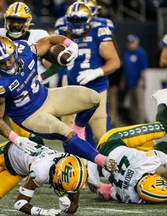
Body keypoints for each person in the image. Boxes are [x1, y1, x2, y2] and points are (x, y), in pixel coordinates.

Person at [0, 34, 118, 173]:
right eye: (1, 63)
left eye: (9, 59)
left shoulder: (25, 49)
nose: (8, 64)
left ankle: (79, 127)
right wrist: (15, 138)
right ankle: (103, 161)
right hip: (30, 115)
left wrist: (70, 44)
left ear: (15, 51)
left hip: (46, 96)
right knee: (67, 134)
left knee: (93, 98)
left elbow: (48, 40)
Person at [0, 2, 64, 145]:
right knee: (23, 129)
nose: (15, 24)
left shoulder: (39, 35)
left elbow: (57, 63)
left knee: (38, 128)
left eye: (19, 20)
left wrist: (42, 76)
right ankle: (34, 156)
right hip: (12, 89)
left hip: (35, 87)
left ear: (27, 21)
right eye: (12, 20)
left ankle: (40, 154)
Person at [55, 1, 120, 193]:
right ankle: (73, 172)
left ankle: (112, 172)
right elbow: (52, 56)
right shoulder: (62, 29)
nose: (75, 25)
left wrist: (96, 72)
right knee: (67, 131)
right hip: (72, 89)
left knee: (101, 135)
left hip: (96, 89)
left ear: (90, 19)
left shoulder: (100, 30)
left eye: (79, 20)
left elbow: (115, 61)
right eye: (72, 20)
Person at [93, 88, 167, 203]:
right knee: (159, 147)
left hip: (112, 141)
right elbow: (118, 195)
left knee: (163, 128)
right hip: (102, 165)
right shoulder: (132, 197)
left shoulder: (147, 163)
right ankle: (105, 189)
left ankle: (162, 96)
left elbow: (163, 160)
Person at [122, 34, 148, 124]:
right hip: (130, 83)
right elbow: (126, 69)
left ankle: (141, 123)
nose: (131, 44)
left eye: (133, 42)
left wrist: (142, 79)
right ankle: (134, 122)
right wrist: (123, 81)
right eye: (129, 43)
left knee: (139, 104)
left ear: (137, 42)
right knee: (131, 104)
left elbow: (144, 68)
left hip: (138, 82)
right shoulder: (127, 54)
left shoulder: (141, 53)